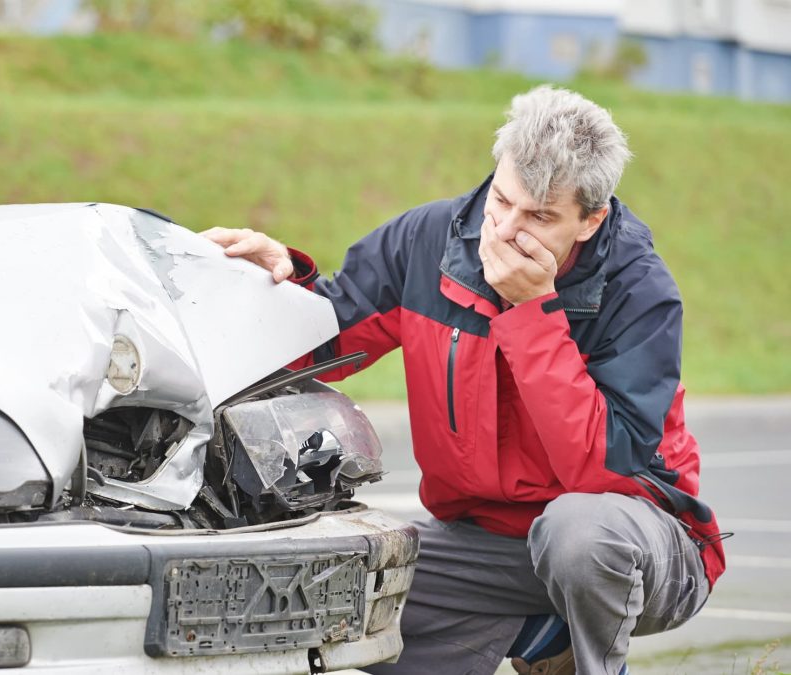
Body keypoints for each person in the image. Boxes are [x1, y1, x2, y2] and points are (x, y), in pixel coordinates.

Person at [202, 85, 727, 675]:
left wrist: (532, 313)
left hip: (640, 543)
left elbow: (601, 468)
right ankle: (541, 639)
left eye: (540, 217)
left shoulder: (639, 290)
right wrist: (270, 284)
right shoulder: (426, 240)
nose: (504, 230)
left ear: (590, 220)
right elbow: (322, 345)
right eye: (502, 200)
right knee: (332, 596)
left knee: (577, 535)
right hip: (482, 547)